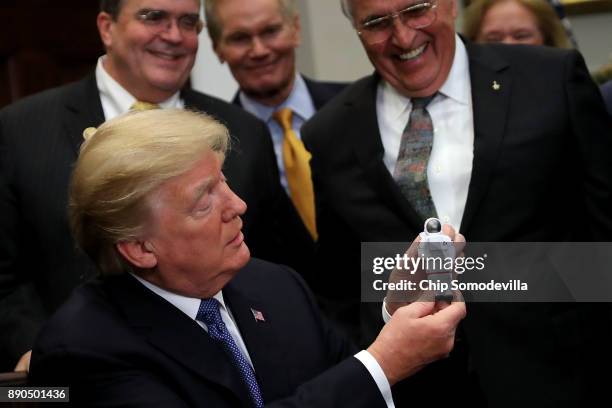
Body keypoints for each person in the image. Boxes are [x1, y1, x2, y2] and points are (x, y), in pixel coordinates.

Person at [29, 109, 466, 407]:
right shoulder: (85, 348)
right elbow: (366, 375)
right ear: (140, 248)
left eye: (223, 182)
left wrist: (402, 312)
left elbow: (357, 385)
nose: (237, 205)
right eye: (204, 201)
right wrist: (383, 362)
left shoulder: (274, 287)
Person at [301, 0, 612, 406]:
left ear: (449, 4)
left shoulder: (551, 79)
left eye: (415, 10)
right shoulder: (330, 133)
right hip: (419, 389)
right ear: (356, 28)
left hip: (557, 378)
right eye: (376, 22)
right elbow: (341, 285)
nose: (403, 37)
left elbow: (603, 233)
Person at [0, 0, 291, 373]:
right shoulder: (21, 129)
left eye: (188, 22)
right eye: (153, 17)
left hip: (224, 374)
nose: (173, 36)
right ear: (107, 28)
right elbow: (6, 275)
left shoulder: (244, 131)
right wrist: (35, 353)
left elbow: (279, 259)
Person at [204, 0, 346, 270]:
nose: (259, 50)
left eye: (270, 31)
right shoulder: (211, 151)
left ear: (295, 29)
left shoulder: (357, 110)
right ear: (217, 48)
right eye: (240, 38)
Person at [462, 0, 571, 47]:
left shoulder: (569, 90)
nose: (508, 45)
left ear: (547, 40)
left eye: (521, 36)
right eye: (494, 39)